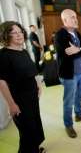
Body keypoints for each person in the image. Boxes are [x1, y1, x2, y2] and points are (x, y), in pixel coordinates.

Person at [0, 21, 45, 153]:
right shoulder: (4, 55)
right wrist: (11, 104)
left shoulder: (23, 51)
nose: (19, 34)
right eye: (13, 32)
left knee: (35, 123)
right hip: (19, 96)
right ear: (6, 35)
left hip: (32, 93)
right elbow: (1, 81)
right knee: (27, 128)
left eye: (20, 31)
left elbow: (31, 71)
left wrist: (38, 85)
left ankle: (34, 148)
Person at [55, 9, 81, 138]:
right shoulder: (60, 35)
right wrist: (77, 50)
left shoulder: (77, 34)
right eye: (73, 17)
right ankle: (68, 125)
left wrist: (77, 49)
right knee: (68, 101)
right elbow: (67, 54)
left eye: (76, 17)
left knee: (79, 96)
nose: (76, 20)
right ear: (65, 20)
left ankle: (79, 114)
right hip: (69, 75)